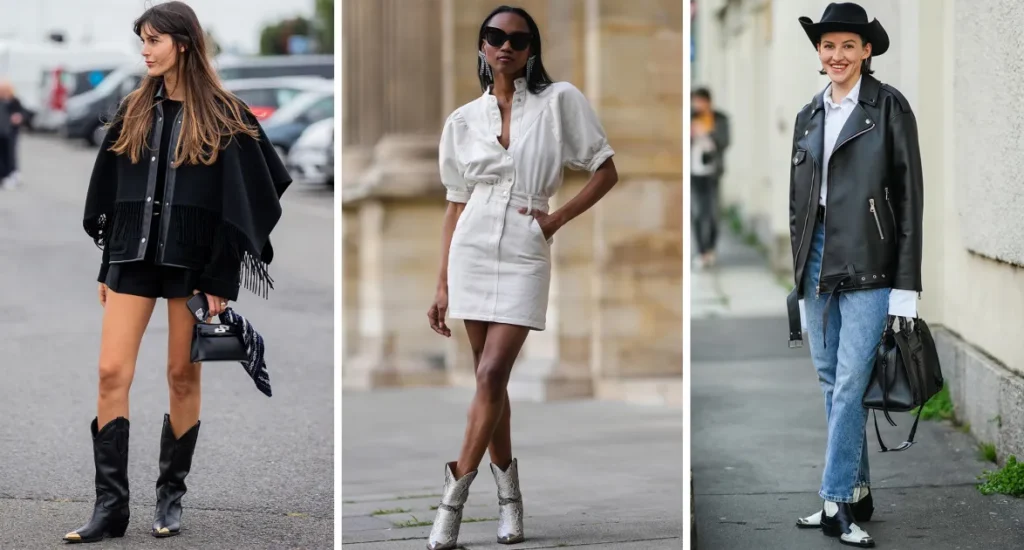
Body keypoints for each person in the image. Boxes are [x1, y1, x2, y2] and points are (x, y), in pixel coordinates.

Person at [65, 1, 291, 543]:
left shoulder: (225, 114)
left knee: (182, 375)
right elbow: (115, 196)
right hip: (130, 258)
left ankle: (170, 497)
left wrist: (220, 278)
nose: (145, 50)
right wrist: (106, 262)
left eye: (154, 40)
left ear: (183, 43)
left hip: (192, 266)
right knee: (109, 372)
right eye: (141, 40)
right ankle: (110, 507)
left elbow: (245, 202)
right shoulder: (133, 109)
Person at [425, 5, 618, 549]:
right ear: (482, 47)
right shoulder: (462, 120)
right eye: (495, 37)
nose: (505, 46)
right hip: (472, 246)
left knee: (490, 375)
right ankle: (509, 497)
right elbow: (454, 203)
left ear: (531, 49)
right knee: (493, 382)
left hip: (527, 243)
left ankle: (451, 502)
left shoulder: (561, 102)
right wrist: (441, 284)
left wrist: (556, 218)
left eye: (517, 38)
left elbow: (606, 169)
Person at [787, 3, 922, 548]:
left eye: (848, 45)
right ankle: (857, 488)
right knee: (829, 380)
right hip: (817, 261)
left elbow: (911, 199)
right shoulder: (808, 115)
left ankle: (834, 500)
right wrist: (795, 274)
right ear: (819, 53)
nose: (836, 55)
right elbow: (798, 204)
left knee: (848, 386)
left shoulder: (889, 108)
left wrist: (906, 285)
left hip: (871, 262)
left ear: (867, 50)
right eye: (828, 45)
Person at [690, 86, 729, 269]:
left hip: (713, 173)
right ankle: (701, 251)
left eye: (700, 101)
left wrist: (707, 132)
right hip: (693, 172)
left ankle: (711, 248)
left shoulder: (719, 119)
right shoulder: (689, 119)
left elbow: (725, 141)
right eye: (695, 101)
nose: (698, 105)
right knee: (697, 213)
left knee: (713, 213)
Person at [0, 80, 26, 187]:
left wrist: (20, 117)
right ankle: (3, 175)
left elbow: (24, 113)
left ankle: (12, 174)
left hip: (11, 133)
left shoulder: (15, 102)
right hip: (1, 132)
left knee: (10, 155)